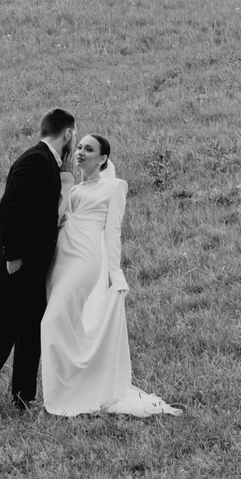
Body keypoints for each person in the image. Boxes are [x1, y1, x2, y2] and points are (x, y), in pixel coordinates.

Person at [40, 134, 180, 417]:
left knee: (51, 321)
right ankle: (73, 386)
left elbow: (112, 232)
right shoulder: (73, 188)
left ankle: (66, 394)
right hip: (60, 261)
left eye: (89, 149)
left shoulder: (114, 187)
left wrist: (115, 273)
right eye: (78, 147)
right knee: (68, 324)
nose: (80, 152)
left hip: (84, 260)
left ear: (103, 158)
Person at [0, 108, 74, 419]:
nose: (75, 141)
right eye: (74, 135)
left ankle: (23, 398)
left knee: (30, 333)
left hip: (35, 268)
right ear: (67, 133)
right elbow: (8, 206)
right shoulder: (35, 159)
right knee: (2, 334)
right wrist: (12, 255)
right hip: (14, 266)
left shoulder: (50, 163)